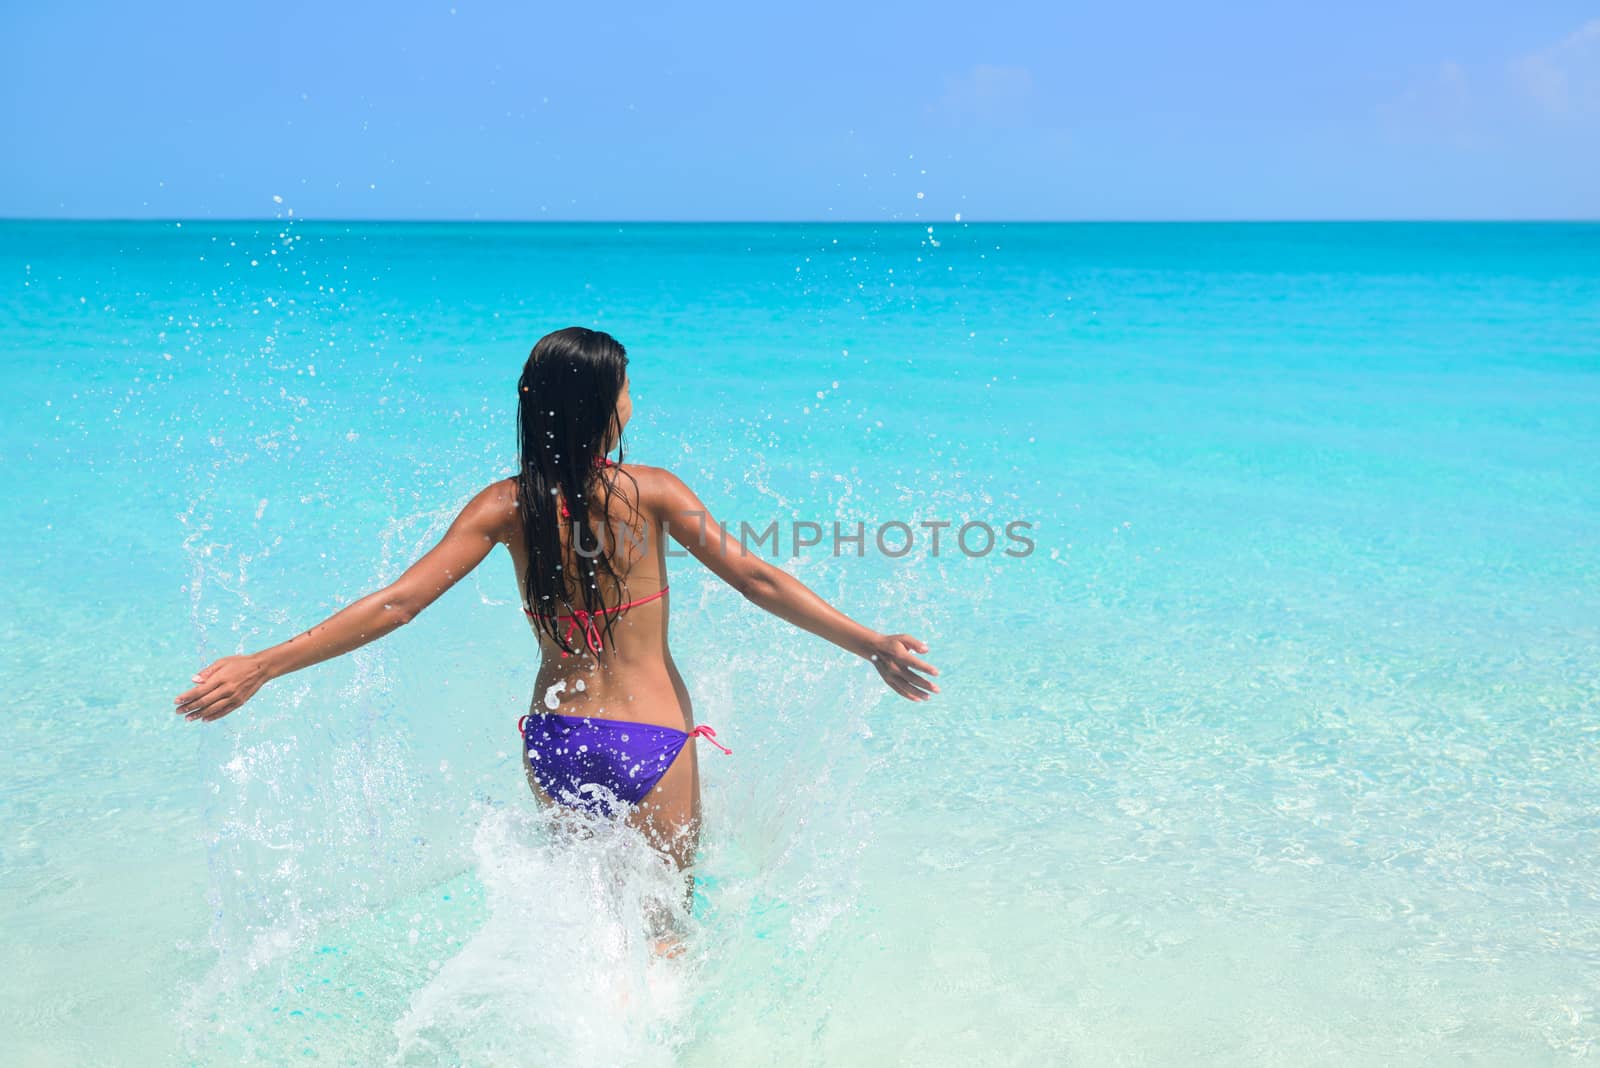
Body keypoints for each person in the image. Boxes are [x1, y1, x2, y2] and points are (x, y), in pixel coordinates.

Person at [174, 326, 939, 883]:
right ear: (609, 404)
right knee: (667, 928)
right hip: (652, 741)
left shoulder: (503, 506)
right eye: (629, 387)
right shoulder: (654, 493)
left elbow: (399, 603)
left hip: (556, 741)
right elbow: (758, 581)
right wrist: (869, 642)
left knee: (585, 922)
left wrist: (265, 665)